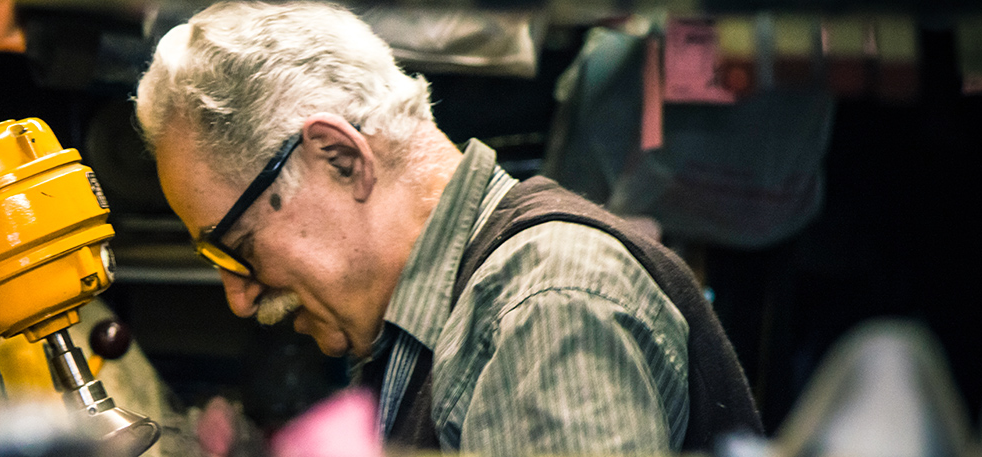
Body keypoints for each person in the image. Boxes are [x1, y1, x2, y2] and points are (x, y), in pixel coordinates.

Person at [134, 2, 759, 454]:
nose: (238, 297)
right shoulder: (429, 331)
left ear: (340, 158)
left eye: (237, 248)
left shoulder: (544, 310)